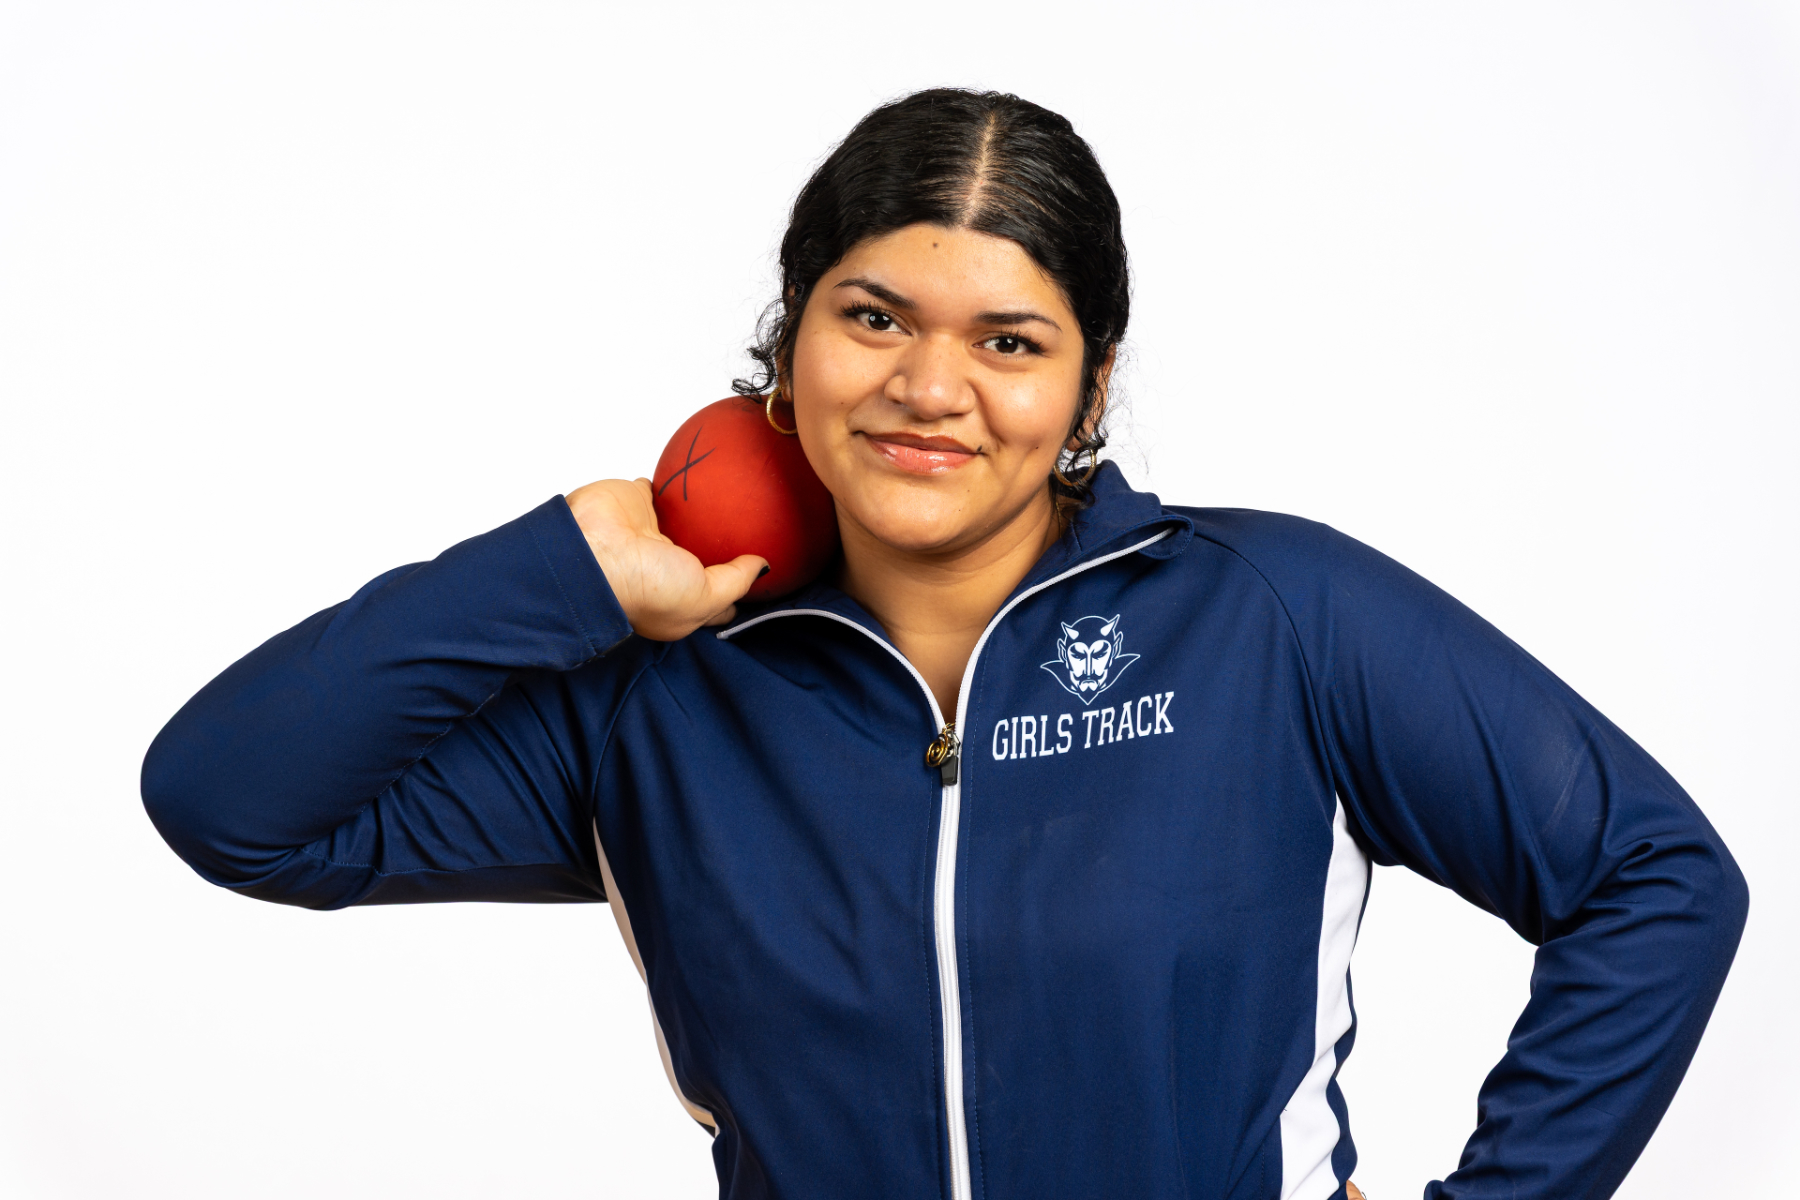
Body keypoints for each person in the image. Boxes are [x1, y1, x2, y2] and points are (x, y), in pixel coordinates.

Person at [141, 89, 1746, 1200]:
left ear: (1089, 392)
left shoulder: (1277, 620)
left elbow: (1657, 874)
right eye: (875, 316)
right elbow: (233, 801)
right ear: (791, 340)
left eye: (1009, 340)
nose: (930, 386)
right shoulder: (656, 705)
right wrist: (558, 565)